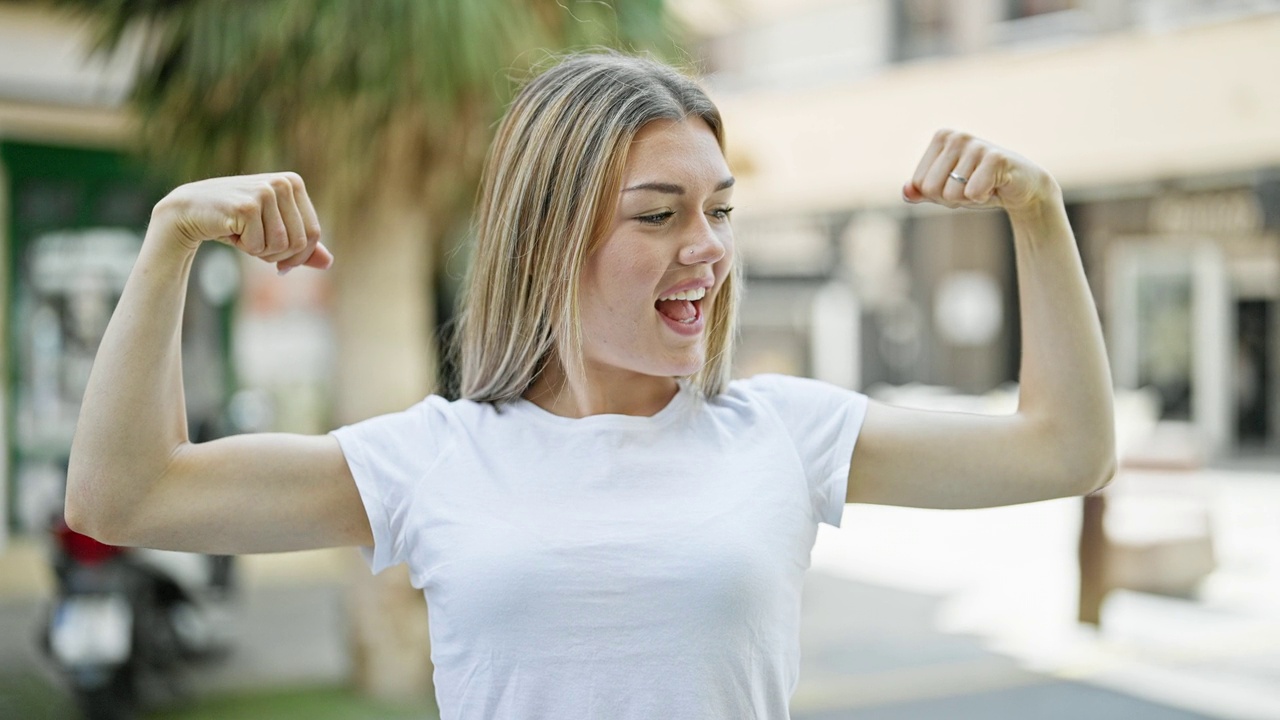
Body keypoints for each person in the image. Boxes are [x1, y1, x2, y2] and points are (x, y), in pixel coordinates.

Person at [66, 52, 1116, 719]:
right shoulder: (435, 457)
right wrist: (169, 244)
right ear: (549, 237)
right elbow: (125, 496)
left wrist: (1036, 210)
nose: (704, 249)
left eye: (719, 211)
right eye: (658, 215)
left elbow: (1066, 449)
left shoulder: (781, 434)